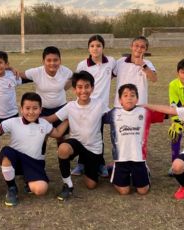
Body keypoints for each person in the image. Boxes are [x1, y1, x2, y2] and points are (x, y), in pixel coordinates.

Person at [0, 92, 68, 206]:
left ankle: (28, 179)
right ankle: (12, 188)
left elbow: (58, 133)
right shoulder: (13, 122)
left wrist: (67, 119)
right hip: (16, 159)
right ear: (21, 109)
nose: (31, 112)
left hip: (34, 162)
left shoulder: (44, 124)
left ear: (40, 109)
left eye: (35, 108)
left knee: (41, 190)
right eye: (27, 108)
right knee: (6, 153)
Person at [46, 71, 106, 201]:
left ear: (92, 88)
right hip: (76, 145)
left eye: (87, 86)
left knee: (91, 185)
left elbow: (114, 116)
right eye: (79, 87)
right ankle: (68, 185)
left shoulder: (99, 104)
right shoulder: (70, 106)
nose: (83, 90)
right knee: (63, 148)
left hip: (93, 149)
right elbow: (51, 118)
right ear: (74, 89)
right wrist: (33, 118)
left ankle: (88, 165)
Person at [103, 84, 164, 195]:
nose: (129, 98)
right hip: (121, 158)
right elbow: (96, 118)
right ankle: (112, 169)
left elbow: (166, 114)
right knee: (124, 191)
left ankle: (145, 171)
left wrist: (183, 108)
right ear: (120, 100)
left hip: (138, 158)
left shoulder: (145, 112)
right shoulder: (113, 113)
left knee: (143, 191)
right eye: (125, 95)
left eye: (132, 95)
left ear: (137, 99)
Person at [71, 34, 117, 177]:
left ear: (103, 47)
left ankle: (100, 164)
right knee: (84, 135)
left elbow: (112, 75)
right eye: (92, 46)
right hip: (85, 106)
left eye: (98, 46)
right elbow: (78, 85)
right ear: (88, 48)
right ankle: (81, 163)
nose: (95, 49)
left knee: (98, 136)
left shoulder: (111, 62)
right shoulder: (82, 65)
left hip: (101, 108)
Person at [17, 46, 72, 151]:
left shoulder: (66, 72)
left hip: (61, 109)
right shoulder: (36, 72)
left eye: (55, 60)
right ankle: (38, 162)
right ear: (43, 61)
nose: (52, 63)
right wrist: (9, 69)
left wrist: (65, 87)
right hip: (43, 110)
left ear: (60, 60)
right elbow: (18, 75)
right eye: (49, 60)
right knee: (42, 137)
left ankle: (64, 165)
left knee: (60, 136)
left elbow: (73, 80)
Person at [113, 36, 157, 108]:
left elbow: (154, 79)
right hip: (120, 105)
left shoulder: (147, 63)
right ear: (131, 47)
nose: (139, 49)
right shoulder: (120, 61)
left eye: (142, 47)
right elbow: (108, 77)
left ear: (146, 49)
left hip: (139, 104)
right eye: (136, 46)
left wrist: (143, 65)